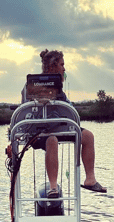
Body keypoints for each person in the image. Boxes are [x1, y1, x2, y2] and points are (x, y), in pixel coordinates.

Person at [36, 49, 106, 195]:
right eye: (62, 65)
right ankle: (53, 188)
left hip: (61, 128)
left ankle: (90, 179)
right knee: (52, 140)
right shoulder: (32, 85)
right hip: (41, 132)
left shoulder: (59, 90)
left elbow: (69, 109)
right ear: (52, 66)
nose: (64, 69)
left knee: (88, 136)